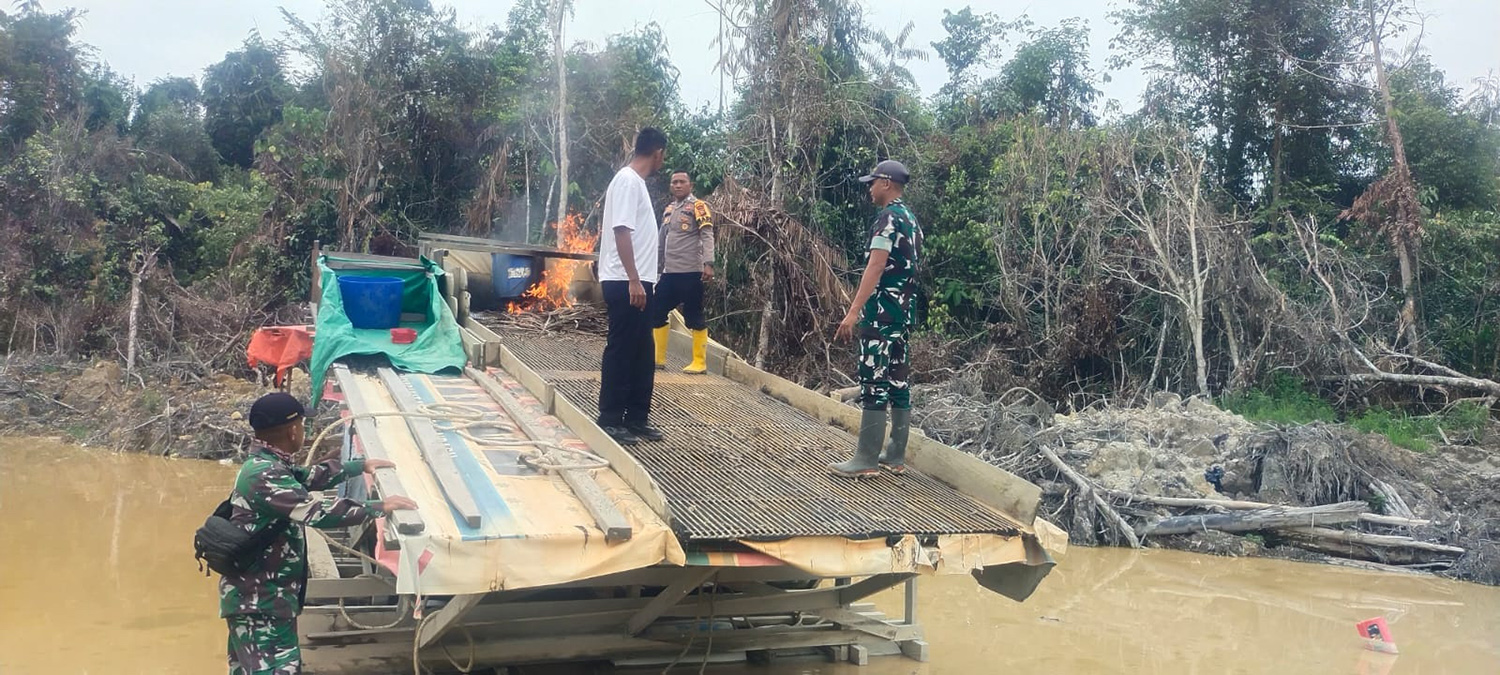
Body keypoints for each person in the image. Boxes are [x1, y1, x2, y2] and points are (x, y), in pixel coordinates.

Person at [220, 392, 417, 674]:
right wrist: (379, 506)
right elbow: (317, 512)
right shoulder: (265, 474)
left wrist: (357, 466)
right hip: (260, 602)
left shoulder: (268, 463)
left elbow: (308, 477)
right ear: (292, 430)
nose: (303, 430)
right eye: (302, 424)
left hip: (258, 598)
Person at [831, 160, 924, 478]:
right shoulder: (910, 219)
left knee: (873, 380)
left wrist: (854, 310)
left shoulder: (886, 218)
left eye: (872, 183)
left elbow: (876, 265)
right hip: (902, 314)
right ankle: (895, 455)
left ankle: (866, 459)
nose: (869, 188)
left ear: (886, 183)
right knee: (898, 381)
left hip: (881, 313)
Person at [596, 127, 669, 446]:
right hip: (626, 281)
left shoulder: (636, 183)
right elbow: (621, 231)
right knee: (623, 350)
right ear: (658, 153)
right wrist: (634, 278)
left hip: (639, 282)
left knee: (642, 352)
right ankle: (610, 418)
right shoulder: (627, 180)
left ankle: (636, 417)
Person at [652, 171, 716, 374]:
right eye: (674, 182)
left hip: (691, 272)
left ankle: (699, 362)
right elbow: (662, 239)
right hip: (669, 273)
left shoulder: (699, 206)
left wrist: (709, 263)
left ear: (691, 185)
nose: (677, 185)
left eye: (682, 182)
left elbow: (707, 235)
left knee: (694, 315)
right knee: (656, 311)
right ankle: (657, 359)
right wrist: (656, 264)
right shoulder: (669, 209)